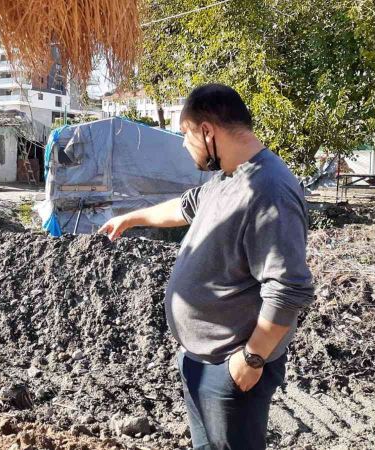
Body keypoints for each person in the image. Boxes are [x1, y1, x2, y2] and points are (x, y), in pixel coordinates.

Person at [98, 84, 314, 450]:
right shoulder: (228, 179)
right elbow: (183, 207)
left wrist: (251, 359)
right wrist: (132, 218)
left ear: (207, 131)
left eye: (186, 134)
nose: (184, 145)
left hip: (232, 367)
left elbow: (288, 288)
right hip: (201, 360)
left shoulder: (268, 190)